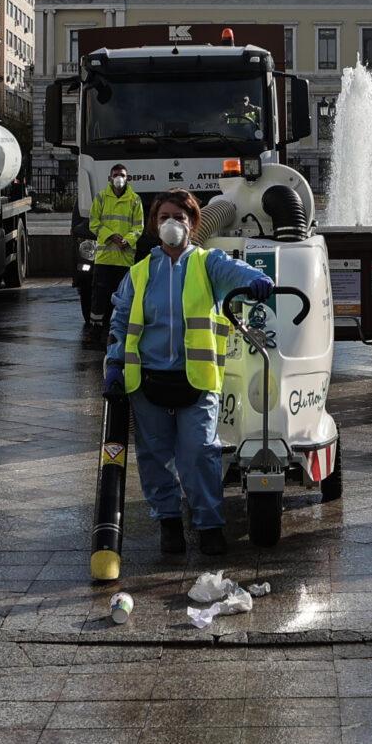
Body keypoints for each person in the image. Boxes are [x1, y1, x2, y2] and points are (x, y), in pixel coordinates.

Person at [103, 189, 274, 558]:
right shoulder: (139, 273)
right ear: (154, 224)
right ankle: (169, 524)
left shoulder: (207, 263)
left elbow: (238, 273)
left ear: (193, 223)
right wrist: (115, 363)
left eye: (179, 217)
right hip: (148, 382)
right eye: (164, 216)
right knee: (155, 459)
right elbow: (119, 322)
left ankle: (209, 526)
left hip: (196, 381)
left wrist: (255, 281)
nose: (171, 224)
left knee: (199, 454)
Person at [85, 164, 145, 337]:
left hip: (124, 259)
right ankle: (95, 328)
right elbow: (93, 223)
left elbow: (138, 227)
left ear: (128, 178)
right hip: (104, 258)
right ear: (110, 178)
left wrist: (128, 240)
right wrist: (111, 236)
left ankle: (120, 330)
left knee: (124, 297)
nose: (119, 178)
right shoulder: (101, 198)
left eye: (122, 175)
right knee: (99, 295)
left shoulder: (135, 200)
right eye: (116, 175)